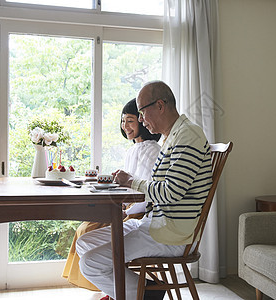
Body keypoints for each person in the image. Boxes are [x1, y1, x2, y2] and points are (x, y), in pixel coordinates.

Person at [76, 80, 213, 299]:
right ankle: (142, 293)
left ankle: (148, 295)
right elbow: (159, 191)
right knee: (85, 241)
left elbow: (170, 193)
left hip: (172, 233)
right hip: (154, 223)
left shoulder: (188, 136)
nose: (140, 120)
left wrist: (131, 182)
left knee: (90, 264)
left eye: (141, 112)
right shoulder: (172, 137)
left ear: (160, 106)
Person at [61, 98, 161, 291]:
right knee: (85, 229)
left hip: (139, 214)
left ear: (143, 121)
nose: (125, 126)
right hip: (128, 210)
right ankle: (116, 289)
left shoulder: (152, 151)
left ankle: (137, 291)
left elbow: (147, 193)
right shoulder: (133, 150)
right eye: (123, 121)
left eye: (130, 121)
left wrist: (127, 210)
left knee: (88, 230)